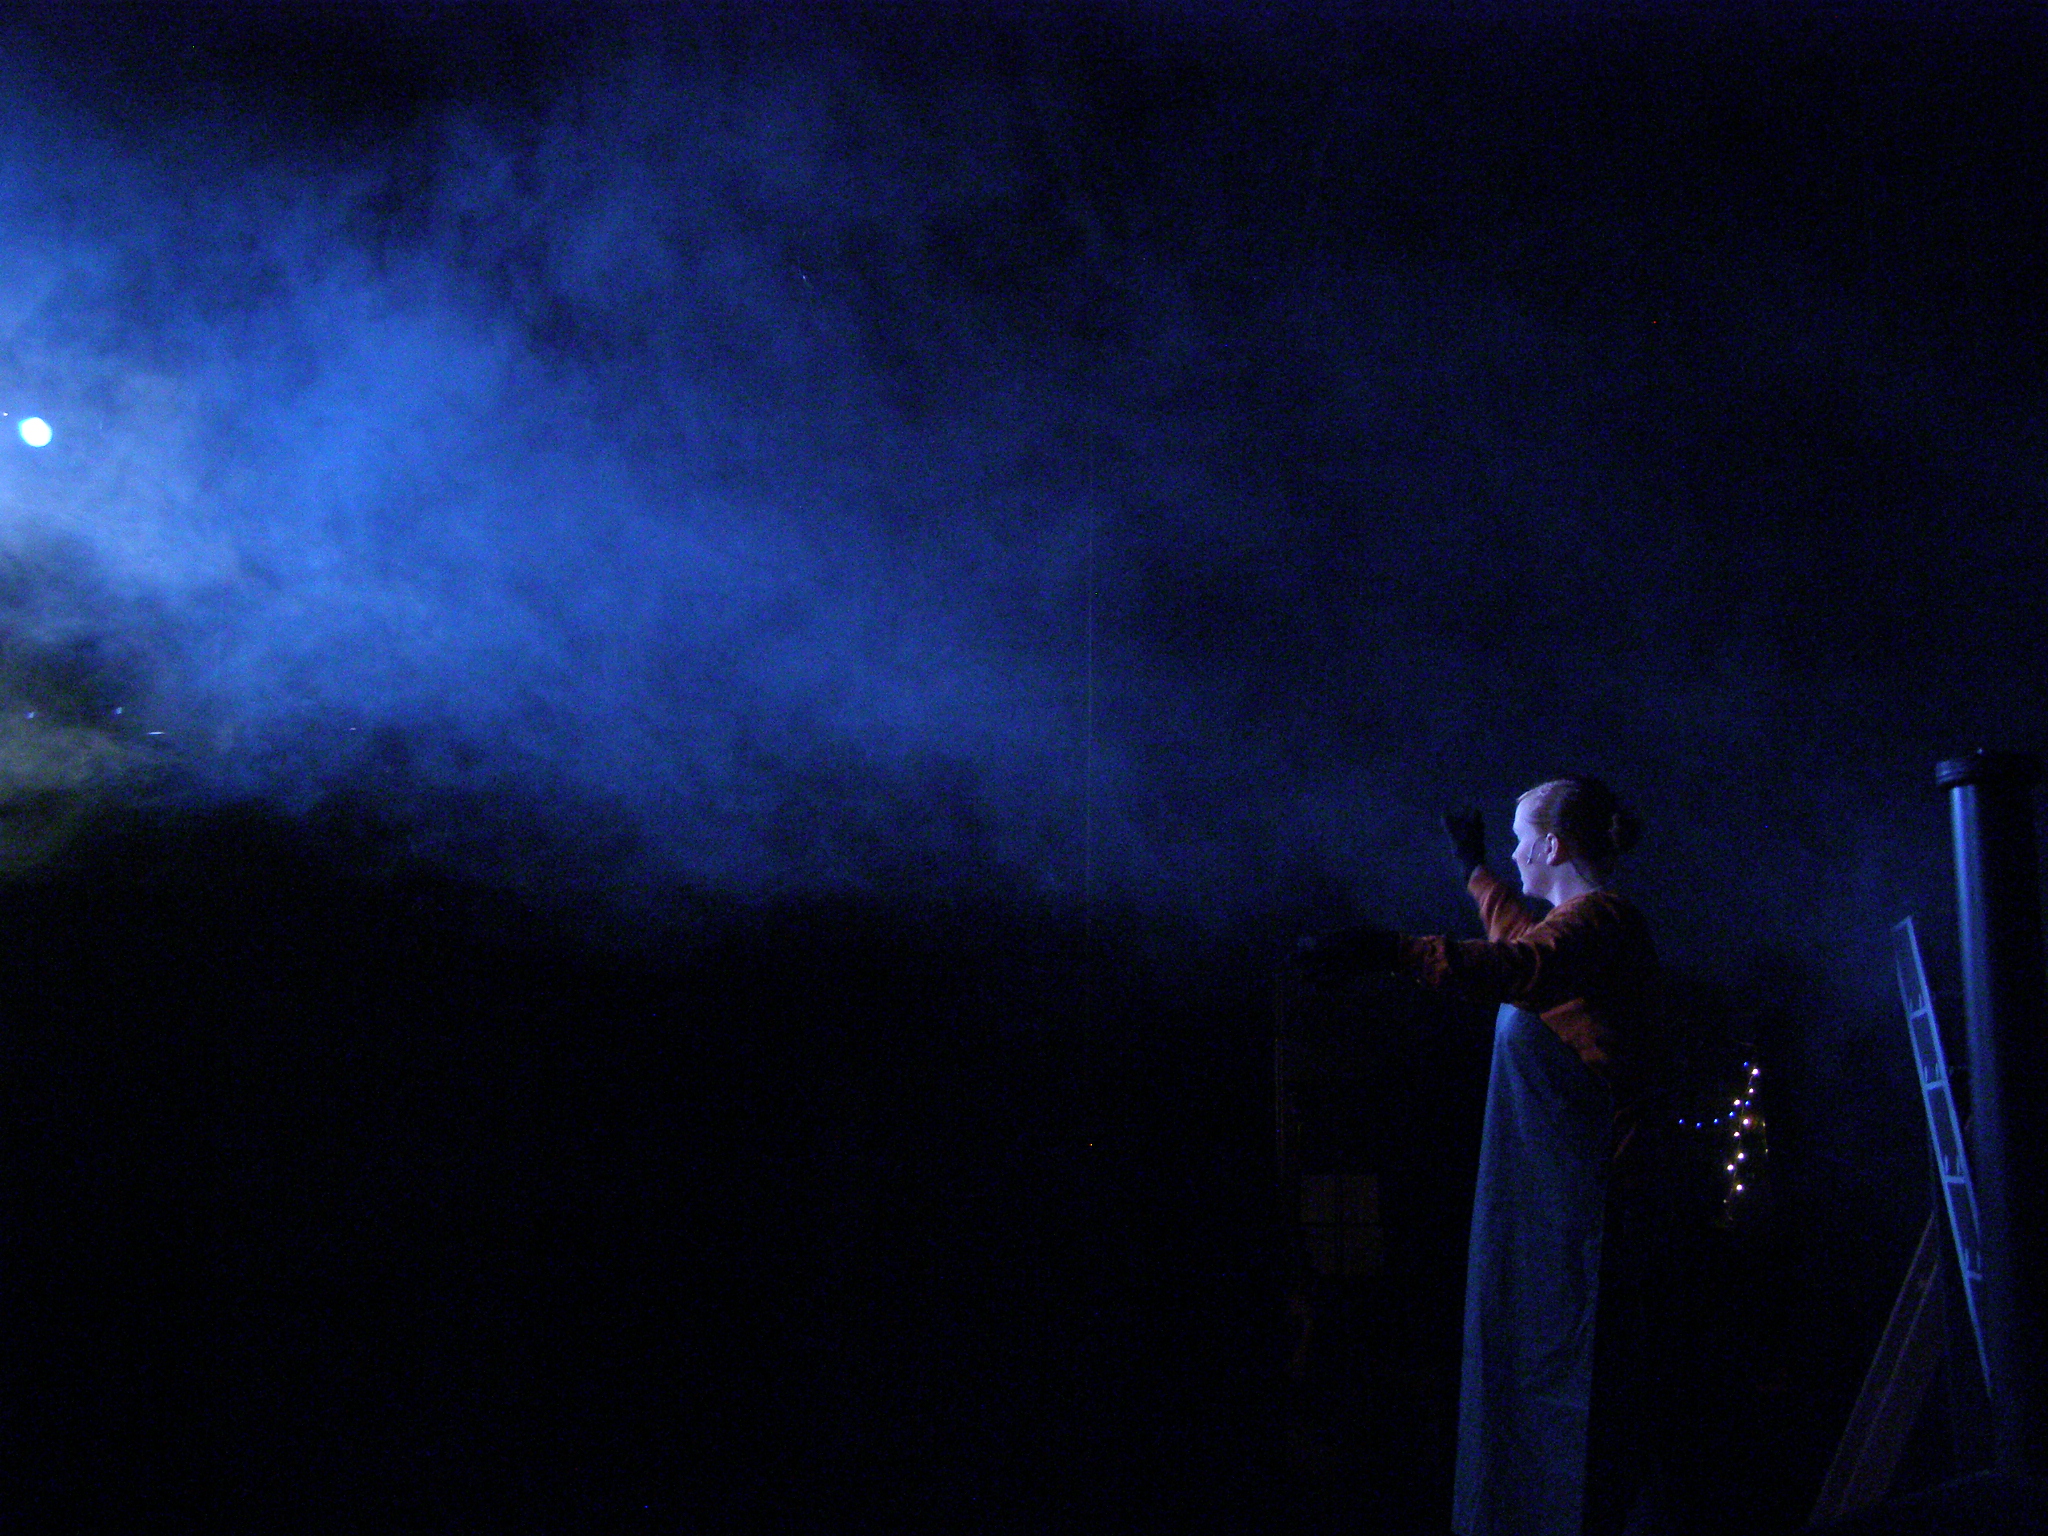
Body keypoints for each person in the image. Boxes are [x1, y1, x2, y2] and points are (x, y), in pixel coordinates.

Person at [1298, 775, 1665, 1536]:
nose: (1515, 850)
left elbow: (1522, 968)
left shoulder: (1605, 921)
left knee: (1581, 1391)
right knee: (1540, 1375)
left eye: (1520, 838)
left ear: (1553, 846)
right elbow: (1522, 947)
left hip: (1594, 1209)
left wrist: (1392, 949)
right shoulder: (1581, 930)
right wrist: (1475, 872)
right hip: (1559, 1206)